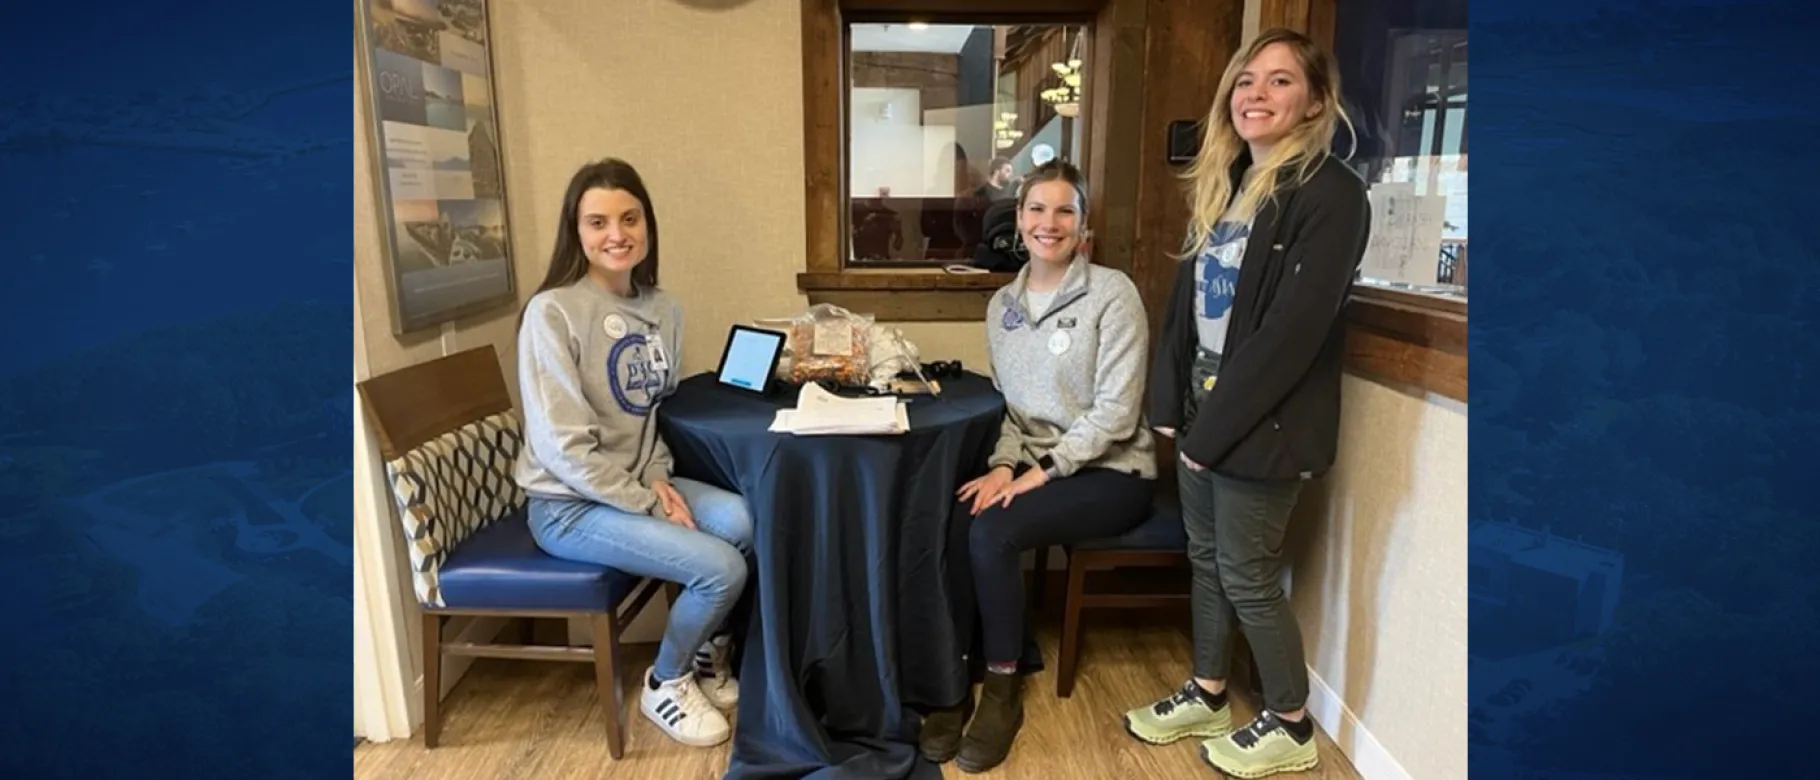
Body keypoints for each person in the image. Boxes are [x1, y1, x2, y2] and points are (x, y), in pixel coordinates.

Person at [1121, 28, 1368, 778]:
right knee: (1206, 560)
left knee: (1248, 574)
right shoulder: (1227, 184)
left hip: (1265, 418)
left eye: (1280, 81)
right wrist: (1171, 404)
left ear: (1316, 102)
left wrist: (1211, 433)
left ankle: (1291, 723)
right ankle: (1207, 686)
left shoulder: (1331, 194)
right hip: (1204, 400)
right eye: (1246, 80)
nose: (1255, 94)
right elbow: (1185, 307)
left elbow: (1291, 337)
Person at [922, 160, 1158, 773]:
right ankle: (953, 680)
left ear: (1084, 227)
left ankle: (1002, 689)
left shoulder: (1112, 293)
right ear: (1017, 220)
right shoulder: (1003, 304)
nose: (1047, 223)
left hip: (1112, 472)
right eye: (1035, 209)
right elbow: (1010, 410)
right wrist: (1005, 467)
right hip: (1035, 465)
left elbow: (1116, 414)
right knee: (956, 518)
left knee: (995, 530)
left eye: (1063, 211)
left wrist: (1040, 472)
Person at [514, 158, 750, 748]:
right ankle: (663, 683)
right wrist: (647, 502)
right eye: (597, 222)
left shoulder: (663, 309)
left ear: (647, 225)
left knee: (749, 521)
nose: (616, 234)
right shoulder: (553, 312)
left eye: (629, 218)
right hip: (569, 505)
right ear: (576, 231)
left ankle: (696, 656)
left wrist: (658, 480)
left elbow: (649, 420)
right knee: (721, 569)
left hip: (637, 485)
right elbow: (562, 449)